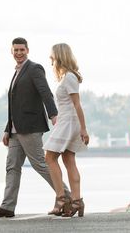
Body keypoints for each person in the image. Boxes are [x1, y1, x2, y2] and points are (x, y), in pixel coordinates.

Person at [0, 37, 70, 218]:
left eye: (22, 50)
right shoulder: (16, 72)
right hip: (15, 130)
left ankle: (68, 198)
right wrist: (8, 129)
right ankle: (7, 207)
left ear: (27, 50)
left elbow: (45, 92)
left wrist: (53, 114)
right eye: (16, 50)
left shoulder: (34, 69)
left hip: (30, 127)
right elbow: (14, 105)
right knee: (12, 166)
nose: (19, 53)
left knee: (40, 164)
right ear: (11, 52)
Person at [43, 43, 89, 217]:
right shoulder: (67, 77)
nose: (50, 59)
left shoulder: (69, 77)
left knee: (50, 156)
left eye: (52, 56)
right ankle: (77, 201)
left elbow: (77, 104)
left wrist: (83, 129)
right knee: (68, 159)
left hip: (69, 122)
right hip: (66, 120)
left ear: (60, 56)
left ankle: (62, 197)